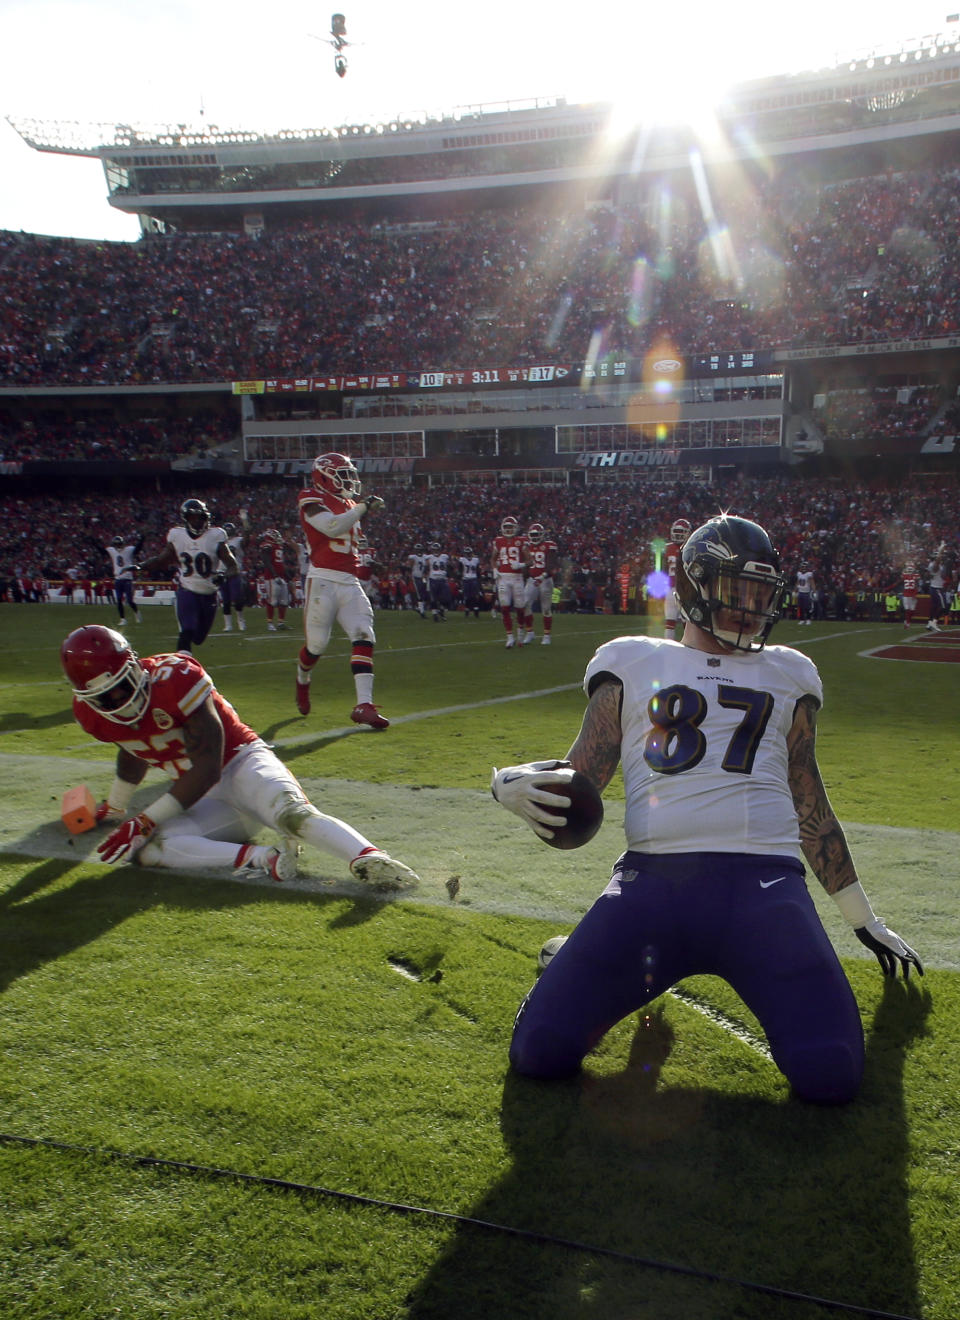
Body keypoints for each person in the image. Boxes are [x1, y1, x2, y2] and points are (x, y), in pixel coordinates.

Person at [492, 514, 922, 1105]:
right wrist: (511, 786)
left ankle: (589, 957)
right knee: (538, 1053)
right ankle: (576, 954)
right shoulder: (632, 659)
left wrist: (862, 917)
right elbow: (581, 783)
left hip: (767, 889)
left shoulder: (790, 672)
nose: (750, 608)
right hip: (650, 886)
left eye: (761, 594)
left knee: (833, 1076)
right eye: (736, 591)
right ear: (693, 587)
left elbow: (809, 799)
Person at [60, 624, 419, 891]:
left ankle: (368, 858)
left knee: (293, 815)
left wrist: (144, 818)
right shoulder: (93, 715)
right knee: (148, 849)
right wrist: (119, 807)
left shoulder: (177, 678)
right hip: (206, 799)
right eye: (106, 698)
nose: (118, 702)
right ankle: (268, 860)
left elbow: (208, 767)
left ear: (135, 666)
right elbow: (132, 749)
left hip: (241, 764)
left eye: (123, 686)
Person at [294, 452, 390, 729]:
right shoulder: (310, 496)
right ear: (324, 476)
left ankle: (364, 705)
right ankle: (302, 679)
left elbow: (349, 545)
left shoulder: (349, 503)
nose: (349, 480)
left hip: (349, 581)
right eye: (343, 475)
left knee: (364, 634)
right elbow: (331, 527)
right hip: (322, 580)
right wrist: (362, 508)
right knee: (316, 646)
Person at [139, 499, 238, 654]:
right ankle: (181, 669)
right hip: (187, 590)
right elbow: (161, 560)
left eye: (201, 517)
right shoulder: (177, 535)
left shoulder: (216, 535)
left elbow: (233, 566)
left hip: (209, 594)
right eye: (193, 518)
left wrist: (223, 576)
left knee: (198, 638)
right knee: (187, 631)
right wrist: (141, 566)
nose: (198, 521)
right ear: (186, 519)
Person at [86, 530, 144, 627]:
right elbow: (101, 551)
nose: (118, 547)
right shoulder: (112, 550)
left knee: (130, 600)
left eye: (119, 544)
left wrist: (142, 539)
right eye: (116, 545)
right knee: (119, 600)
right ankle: (123, 619)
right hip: (118, 579)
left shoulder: (129, 549)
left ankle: (137, 613)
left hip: (128, 578)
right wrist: (93, 541)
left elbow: (138, 549)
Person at [491, 515, 527, 648]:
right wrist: (495, 569)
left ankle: (520, 633)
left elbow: (530, 560)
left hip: (517, 578)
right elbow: (493, 559)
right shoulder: (498, 541)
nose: (508, 529)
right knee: (505, 608)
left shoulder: (521, 541)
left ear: (515, 528)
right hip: (503, 578)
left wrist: (521, 565)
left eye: (511, 527)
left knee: (520, 609)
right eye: (506, 527)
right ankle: (510, 637)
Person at [521, 522, 559, 645]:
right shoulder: (527, 547)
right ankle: (530, 632)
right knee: (525, 604)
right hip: (532, 580)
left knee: (546, 608)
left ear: (542, 535)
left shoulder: (549, 546)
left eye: (537, 534)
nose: (535, 537)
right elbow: (526, 566)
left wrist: (543, 576)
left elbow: (552, 564)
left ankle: (547, 635)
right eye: (533, 534)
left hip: (545, 580)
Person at [259, 528, 295, 632]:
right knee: (272, 600)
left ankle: (281, 623)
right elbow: (266, 561)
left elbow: (280, 563)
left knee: (284, 601)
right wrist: (274, 575)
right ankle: (270, 623)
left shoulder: (278, 546)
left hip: (281, 577)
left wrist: (286, 576)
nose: (278, 538)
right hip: (271, 577)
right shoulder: (267, 546)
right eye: (276, 536)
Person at [662, 517, 691, 639]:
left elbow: (662, 570)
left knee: (670, 622)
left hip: (670, 588)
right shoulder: (690, 547)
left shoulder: (666, 548)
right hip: (684, 588)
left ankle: (668, 649)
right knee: (687, 622)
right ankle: (688, 648)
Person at [220, 521, 247, 633]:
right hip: (222, 573)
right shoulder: (219, 542)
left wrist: (245, 523)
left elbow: (246, 540)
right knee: (225, 600)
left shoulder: (238, 540)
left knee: (237, 599)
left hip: (234, 572)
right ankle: (228, 624)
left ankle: (241, 620)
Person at [424, 542, 451, 622]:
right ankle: (435, 613)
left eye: (437, 549)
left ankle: (441, 610)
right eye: (434, 549)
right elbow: (426, 568)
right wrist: (425, 576)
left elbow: (448, 567)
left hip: (442, 579)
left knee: (445, 598)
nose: (436, 551)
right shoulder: (429, 557)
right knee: (433, 598)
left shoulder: (445, 556)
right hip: (433, 579)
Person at [457, 547, 482, 618]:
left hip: (474, 579)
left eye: (469, 553)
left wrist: (479, 580)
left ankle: (476, 609)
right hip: (466, 579)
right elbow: (460, 570)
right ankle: (467, 610)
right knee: (467, 596)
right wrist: (459, 580)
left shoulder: (475, 560)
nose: (468, 554)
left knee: (475, 596)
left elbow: (478, 571)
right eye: (467, 553)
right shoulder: (462, 560)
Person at [795, 560, 815, 625]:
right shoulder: (799, 574)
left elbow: (812, 582)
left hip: (806, 593)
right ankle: (802, 619)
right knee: (800, 607)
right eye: (802, 567)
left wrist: (814, 590)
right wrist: (796, 589)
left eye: (805, 567)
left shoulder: (809, 574)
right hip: (800, 592)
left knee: (807, 607)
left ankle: (808, 619)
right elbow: (798, 582)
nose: (803, 568)